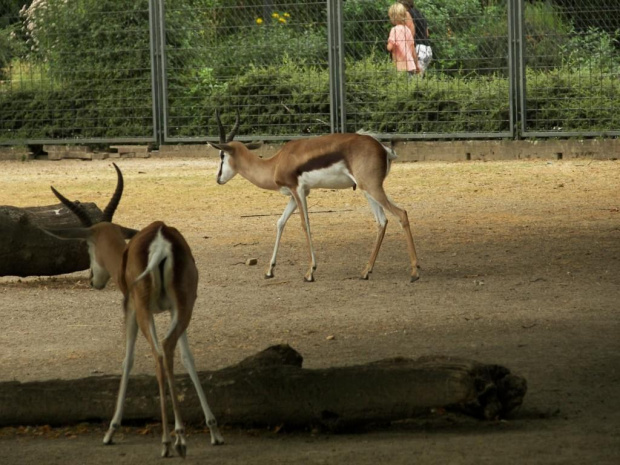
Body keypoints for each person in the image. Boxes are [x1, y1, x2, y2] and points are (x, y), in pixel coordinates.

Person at [400, 0, 432, 75]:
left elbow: (411, 33)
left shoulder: (407, 13)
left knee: (411, 80)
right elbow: (427, 33)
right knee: (417, 80)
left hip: (417, 48)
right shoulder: (419, 13)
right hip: (427, 49)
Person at [387, 3, 418, 76]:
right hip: (410, 65)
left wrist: (388, 45)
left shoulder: (394, 30)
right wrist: (416, 64)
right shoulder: (407, 30)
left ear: (393, 17)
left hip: (400, 66)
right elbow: (412, 48)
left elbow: (390, 47)